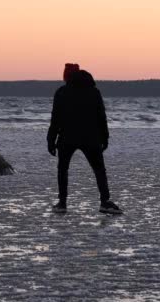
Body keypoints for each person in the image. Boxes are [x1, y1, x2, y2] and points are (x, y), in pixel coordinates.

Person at [47, 64, 122, 214]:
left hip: (67, 137)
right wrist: (105, 137)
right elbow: (102, 117)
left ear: (67, 76)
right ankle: (105, 202)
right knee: (99, 170)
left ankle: (62, 203)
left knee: (63, 170)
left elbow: (56, 119)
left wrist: (51, 140)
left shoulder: (62, 92)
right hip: (91, 137)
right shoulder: (93, 92)